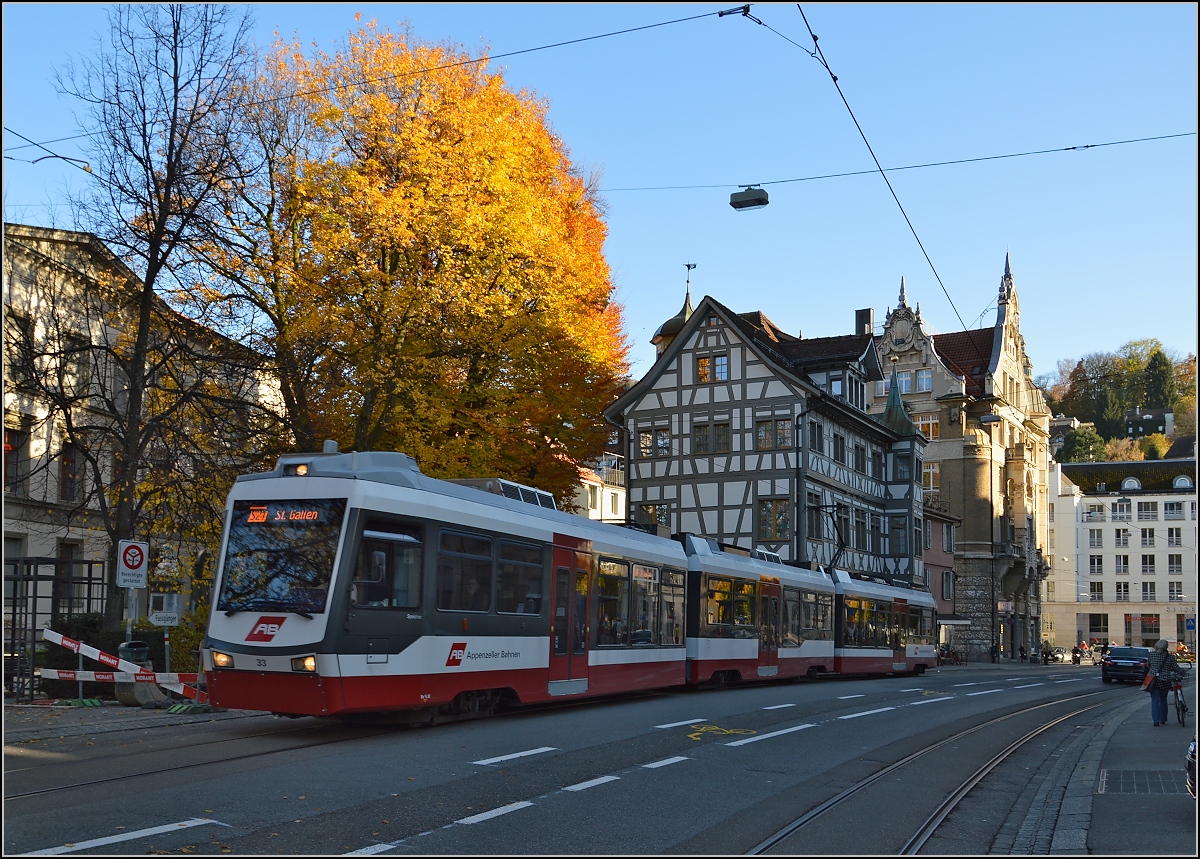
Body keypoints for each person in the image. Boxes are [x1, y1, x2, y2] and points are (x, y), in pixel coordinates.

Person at [1146, 638, 1183, 727]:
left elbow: (1148, 665)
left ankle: (1156, 721)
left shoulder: (1151, 655)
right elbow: (1176, 668)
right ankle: (1163, 719)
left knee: (1154, 700)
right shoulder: (1170, 657)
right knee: (1163, 699)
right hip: (1165, 680)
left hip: (1153, 680)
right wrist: (1182, 672)